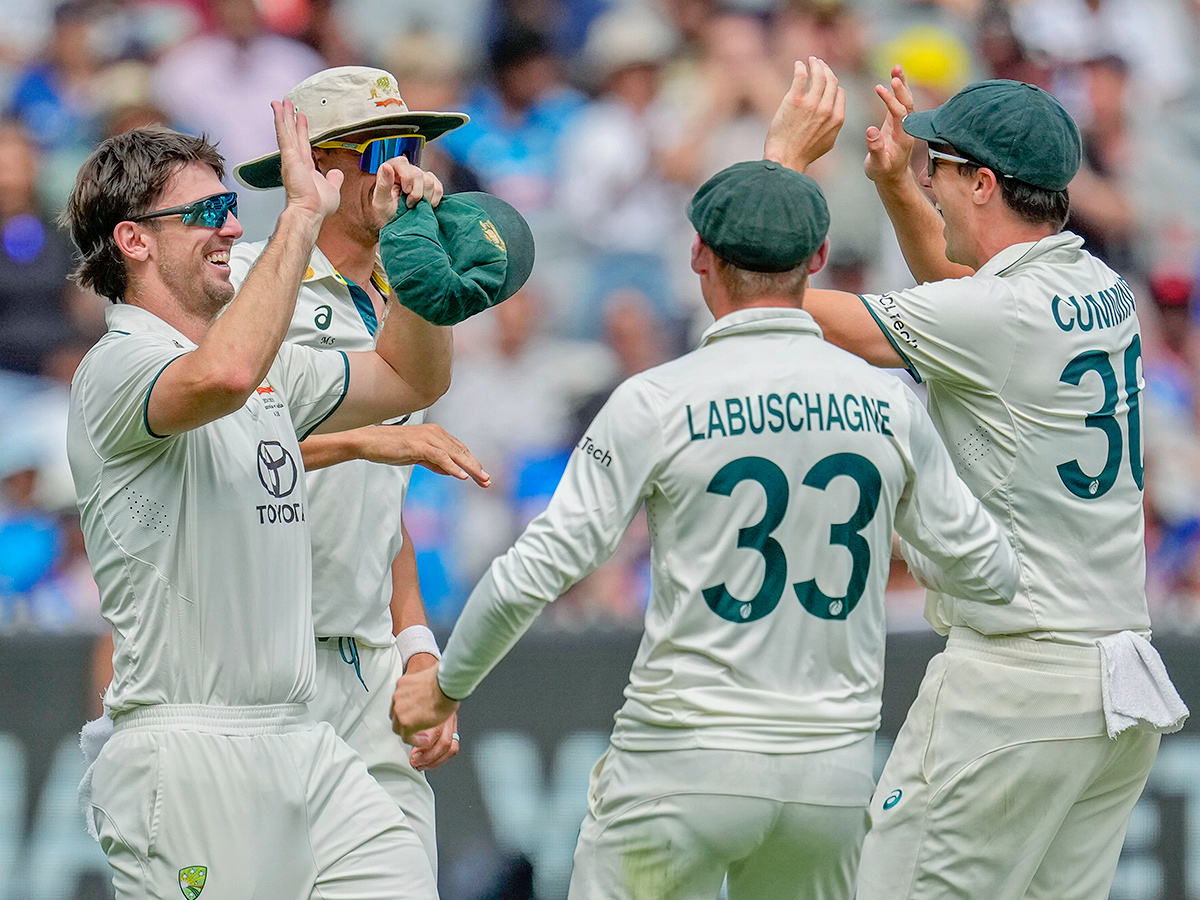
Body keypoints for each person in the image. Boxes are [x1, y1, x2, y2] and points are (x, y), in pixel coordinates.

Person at [391, 159, 1020, 900]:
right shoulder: (888, 401)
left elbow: (538, 567)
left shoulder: (656, 399)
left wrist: (446, 686)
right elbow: (989, 574)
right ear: (817, 261)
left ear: (698, 256)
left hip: (682, 766)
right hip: (830, 773)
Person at [764, 59, 1189, 900]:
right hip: (1112, 685)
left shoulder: (999, 315)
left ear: (984, 183)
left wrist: (779, 169)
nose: (930, 176)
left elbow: (769, 298)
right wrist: (897, 190)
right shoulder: (1099, 286)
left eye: (940, 168)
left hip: (1015, 687)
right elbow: (965, 300)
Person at [64, 103, 454, 898]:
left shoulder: (270, 370)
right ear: (134, 240)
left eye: (232, 210)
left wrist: (410, 249)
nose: (233, 230)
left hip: (303, 740)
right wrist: (304, 213)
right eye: (207, 213)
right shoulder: (117, 365)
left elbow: (411, 381)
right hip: (187, 745)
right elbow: (224, 375)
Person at [230, 65, 486, 878]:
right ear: (318, 166)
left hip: (366, 667)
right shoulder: (242, 287)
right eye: (386, 148)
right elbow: (219, 457)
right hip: (254, 667)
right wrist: (372, 442)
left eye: (411, 146)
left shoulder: (395, 297)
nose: (406, 169)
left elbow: (382, 509)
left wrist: (417, 650)